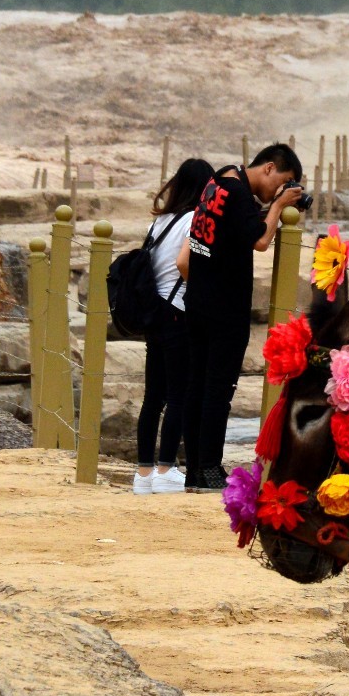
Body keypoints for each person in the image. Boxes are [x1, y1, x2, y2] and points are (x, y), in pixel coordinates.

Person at [181, 143, 307, 492]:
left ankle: (194, 469)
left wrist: (272, 203)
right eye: (285, 181)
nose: (283, 189)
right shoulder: (238, 192)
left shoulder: (220, 180)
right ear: (269, 168)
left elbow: (238, 228)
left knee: (197, 385)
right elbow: (261, 240)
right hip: (224, 308)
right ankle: (207, 468)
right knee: (218, 391)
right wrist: (279, 206)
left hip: (198, 301)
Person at [133, 155, 213, 496]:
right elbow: (185, 263)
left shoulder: (160, 220)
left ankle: (144, 473)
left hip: (154, 312)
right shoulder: (196, 218)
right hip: (178, 311)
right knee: (179, 394)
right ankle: (167, 467)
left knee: (154, 396)